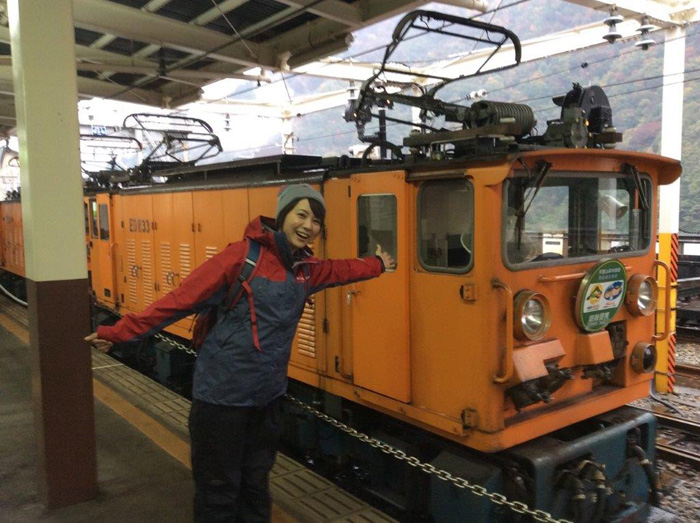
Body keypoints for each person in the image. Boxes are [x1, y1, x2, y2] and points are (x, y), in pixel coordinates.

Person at [85, 184, 395, 522]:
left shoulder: (305, 271)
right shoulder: (241, 257)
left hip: (266, 400)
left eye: (316, 221)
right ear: (283, 216)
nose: (308, 226)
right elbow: (178, 302)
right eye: (301, 215)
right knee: (218, 491)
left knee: (255, 486)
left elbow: (341, 270)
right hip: (221, 401)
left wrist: (377, 263)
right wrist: (119, 333)